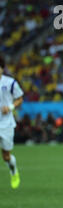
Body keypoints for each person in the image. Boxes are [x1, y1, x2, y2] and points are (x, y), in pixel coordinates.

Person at [0, 55, 24, 189]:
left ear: (2, 69)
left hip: (6, 123)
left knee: (6, 156)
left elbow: (20, 98)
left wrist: (10, 107)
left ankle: (13, 170)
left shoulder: (10, 83)